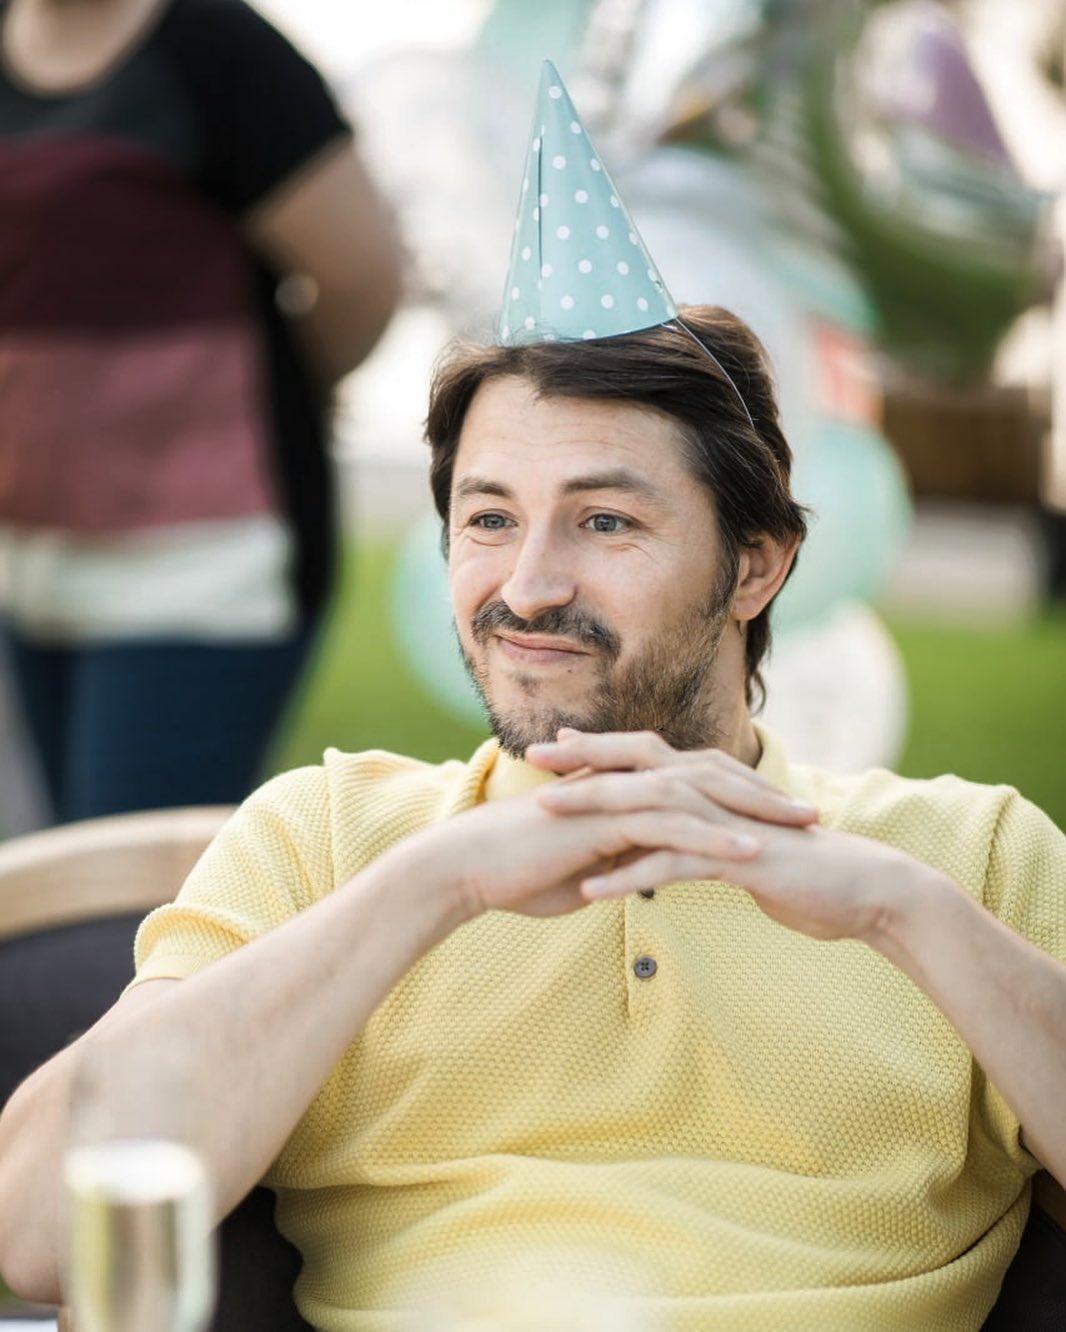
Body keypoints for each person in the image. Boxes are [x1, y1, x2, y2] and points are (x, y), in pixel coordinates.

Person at [1, 62, 1064, 1332]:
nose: (528, 586)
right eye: (489, 518)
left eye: (605, 520)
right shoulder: (329, 843)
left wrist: (901, 912)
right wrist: (434, 886)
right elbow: (41, 1236)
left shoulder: (967, 859)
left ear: (756, 565)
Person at [0, 0, 401, 822]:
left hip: (201, 571)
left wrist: (284, 395)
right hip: (28, 555)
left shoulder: (216, 49)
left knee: (131, 877)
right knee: (63, 861)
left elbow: (362, 277)